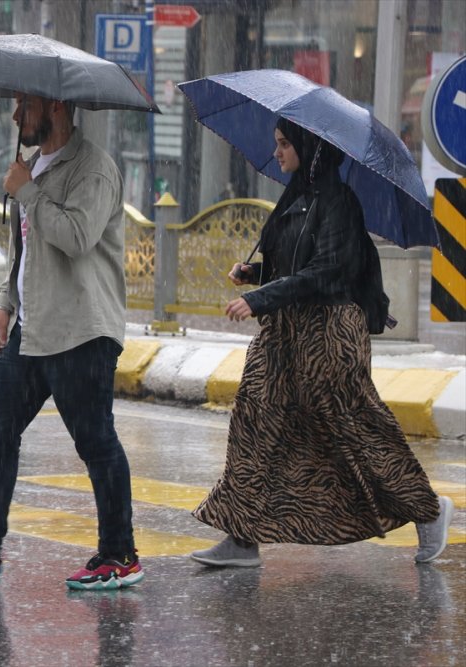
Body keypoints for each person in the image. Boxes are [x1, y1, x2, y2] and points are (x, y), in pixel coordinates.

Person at [189, 117, 454, 568]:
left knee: (356, 431)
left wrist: (260, 297)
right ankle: (241, 535)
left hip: (329, 336)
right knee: (255, 422)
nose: (277, 153)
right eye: (276, 144)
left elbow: (328, 271)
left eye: (284, 144)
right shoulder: (296, 198)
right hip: (284, 333)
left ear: (310, 148)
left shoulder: (339, 203)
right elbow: (294, 263)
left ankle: (427, 511)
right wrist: (254, 273)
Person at [0, 93, 142, 590]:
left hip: (80, 330)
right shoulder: (33, 165)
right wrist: (4, 304)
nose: (16, 116)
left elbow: (77, 235)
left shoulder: (94, 170)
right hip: (32, 327)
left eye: (25, 106)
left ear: (56, 107)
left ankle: (119, 555)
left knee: (96, 443)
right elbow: (24, 252)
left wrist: (29, 192)